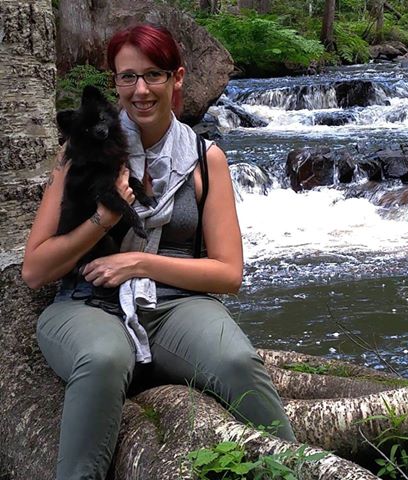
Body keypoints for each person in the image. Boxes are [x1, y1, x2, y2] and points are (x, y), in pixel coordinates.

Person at [22, 23, 295, 480]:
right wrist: (104, 219)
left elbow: (228, 273)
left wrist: (138, 263)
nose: (141, 90)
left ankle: (294, 469)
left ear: (177, 78)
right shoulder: (80, 150)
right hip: (86, 303)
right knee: (103, 359)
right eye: (128, 77)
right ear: (115, 82)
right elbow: (34, 270)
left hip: (176, 306)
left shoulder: (206, 159)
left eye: (153, 75)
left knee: (237, 362)